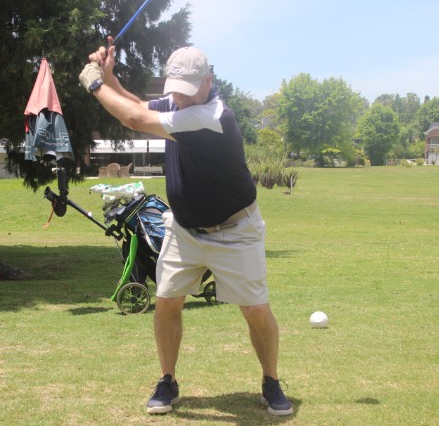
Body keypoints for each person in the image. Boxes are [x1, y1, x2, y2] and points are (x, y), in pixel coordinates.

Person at [79, 41, 293, 416]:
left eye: (188, 91)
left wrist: (95, 84)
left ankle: (271, 381)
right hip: (184, 229)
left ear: (208, 82)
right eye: (175, 90)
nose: (179, 98)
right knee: (166, 301)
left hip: (235, 229)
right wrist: (110, 77)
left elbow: (133, 119)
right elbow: (139, 105)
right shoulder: (179, 102)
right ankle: (167, 380)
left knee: (255, 309)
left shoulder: (212, 116)